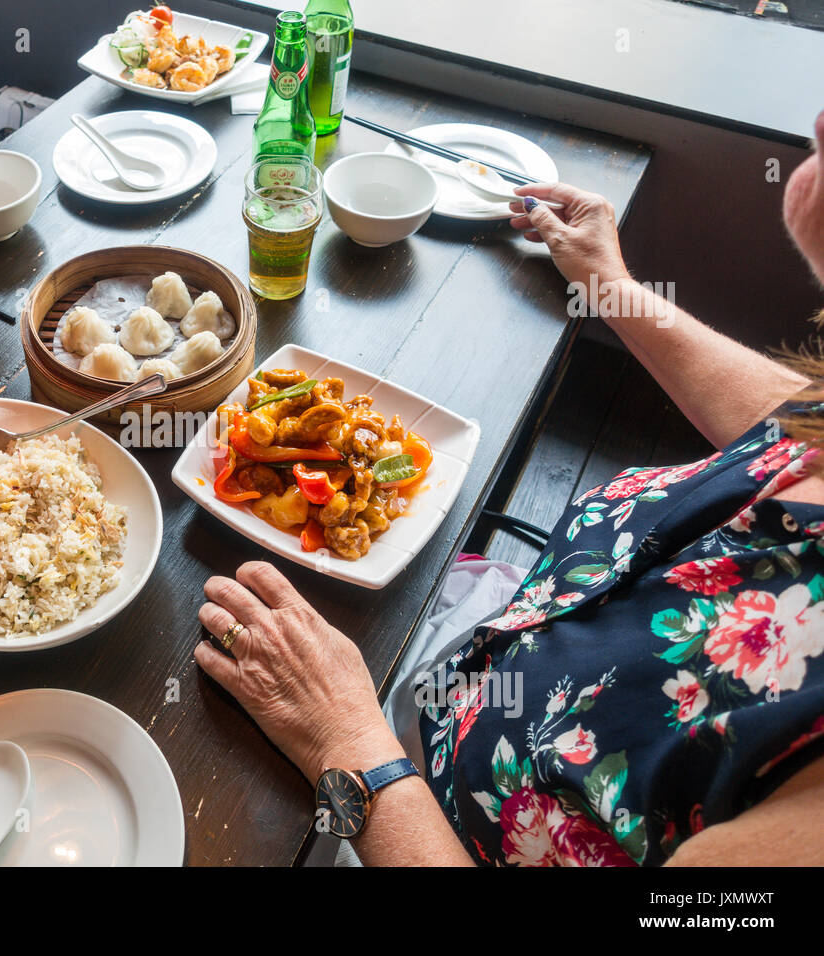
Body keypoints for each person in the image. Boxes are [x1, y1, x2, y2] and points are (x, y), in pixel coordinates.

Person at [194, 107, 824, 866]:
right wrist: (608, 281)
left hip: (390, 811)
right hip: (463, 681)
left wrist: (346, 739)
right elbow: (782, 421)